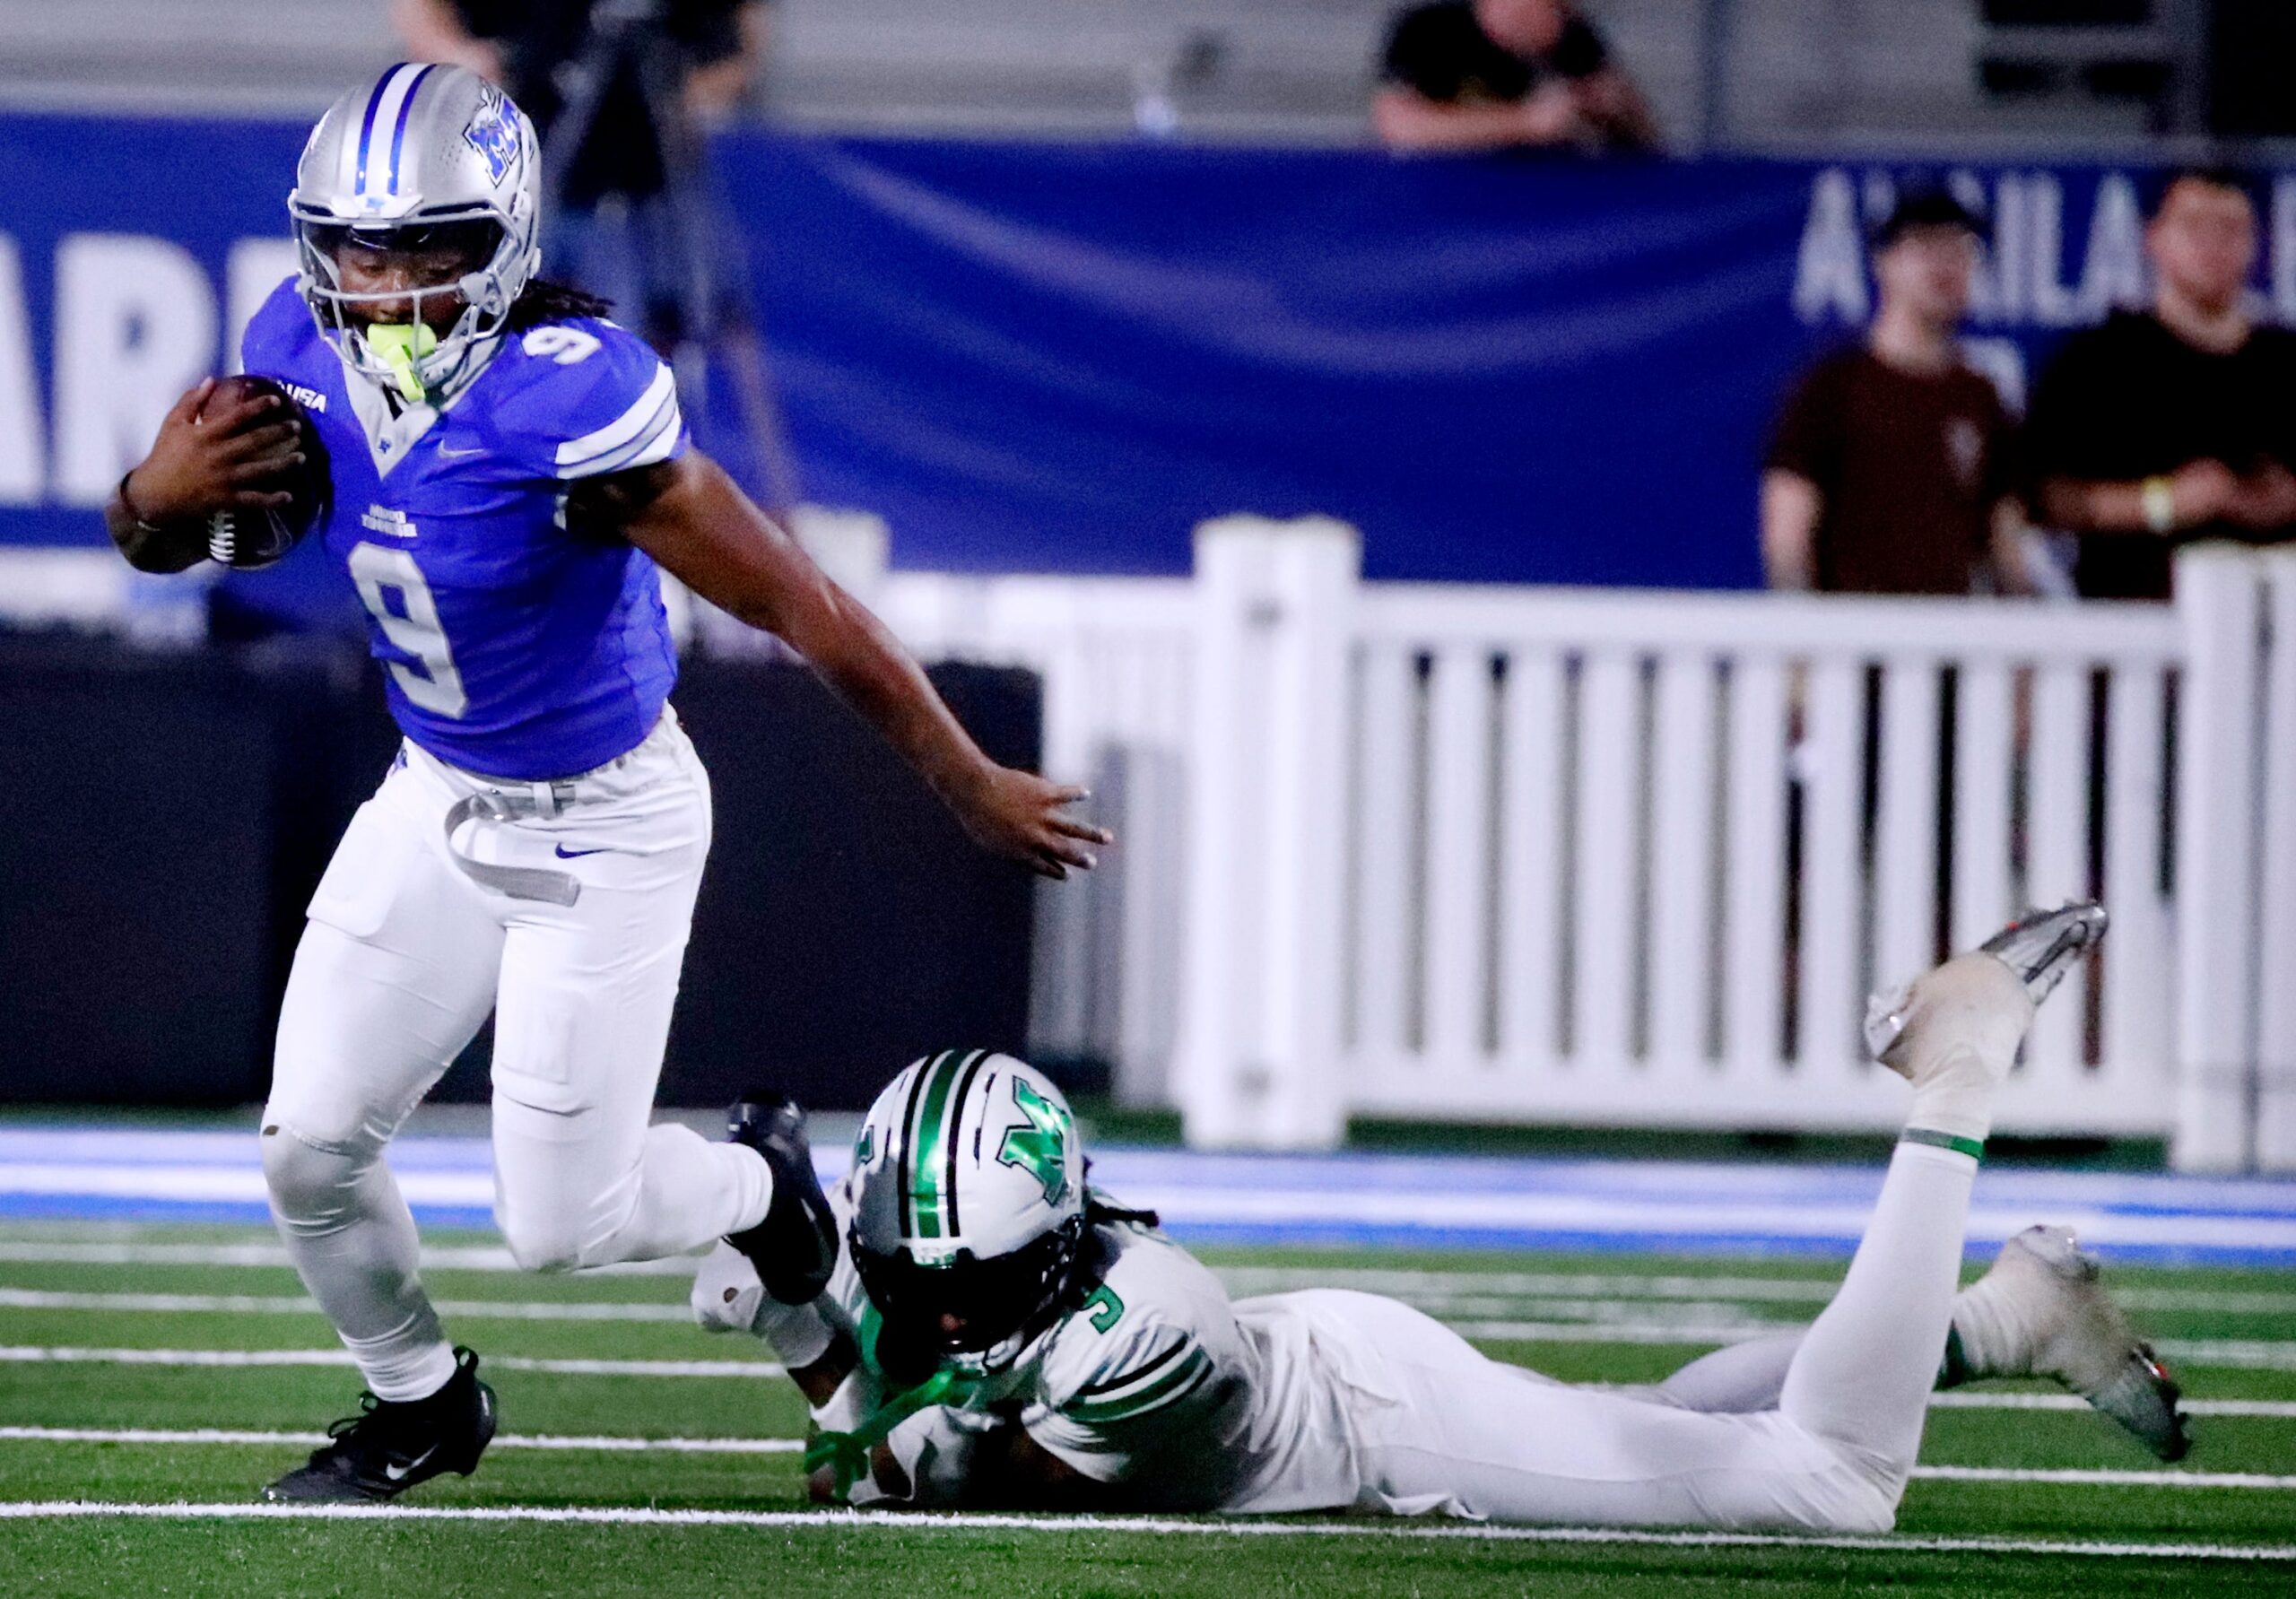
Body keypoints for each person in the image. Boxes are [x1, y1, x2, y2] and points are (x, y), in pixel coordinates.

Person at [103, 63, 1109, 1504]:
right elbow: (178, 543)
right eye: (363, 251)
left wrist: (962, 780)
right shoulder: (289, 353)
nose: (388, 290)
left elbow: (800, 602)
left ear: (502, 242)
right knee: (310, 1146)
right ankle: (420, 1402)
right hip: (437, 796)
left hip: (603, 823)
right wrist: (153, 496)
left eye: (432, 251)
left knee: (560, 1226)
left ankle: (764, 1186)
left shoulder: (570, 404)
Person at [695, 904, 2190, 1524]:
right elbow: (900, 1410)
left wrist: (806, 1328)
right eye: (911, 1271)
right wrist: (822, 1287)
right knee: (1660, 1417)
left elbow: (934, 1487)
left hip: (1377, 1421)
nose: (939, 1307)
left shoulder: (1145, 1326)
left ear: (1053, 1240)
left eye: (966, 1281)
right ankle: (2003, 1316)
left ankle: (1960, 1062)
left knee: (1824, 1484)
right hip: (1346, 1369)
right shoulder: (979, 1262)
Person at [391, 0, 770, 353]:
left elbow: (733, 50)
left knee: (624, 342)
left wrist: (689, 87)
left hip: (642, 187)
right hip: (516, 160)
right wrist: (466, 61)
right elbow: (425, 21)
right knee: (492, 328)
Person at [2024, 166, 2296, 601]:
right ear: (2153, 237)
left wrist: (2269, 501)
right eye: (2193, 226)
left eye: (2230, 228)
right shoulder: (2097, 361)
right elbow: (2047, 498)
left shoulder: (2284, 363)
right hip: (2131, 631)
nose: (2212, 244)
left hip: (2272, 629)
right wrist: (2165, 502)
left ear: (2257, 244)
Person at [1763, 188, 2030, 596]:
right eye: (1926, 245)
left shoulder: (1979, 398)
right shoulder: (1833, 387)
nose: (1946, 263)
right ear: (1884, 261)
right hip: (1853, 644)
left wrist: (2025, 641)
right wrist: (1804, 643)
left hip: (1951, 647)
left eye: (1961, 248)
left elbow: (2005, 544)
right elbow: (1787, 535)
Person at [1375, 0, 1659, 154]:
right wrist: (1528, 122)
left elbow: (1648, 143)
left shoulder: (1571, 37)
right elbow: (1400, 128)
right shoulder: (1430, 30)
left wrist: (1614, 109)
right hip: (1448, 211)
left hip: (1544, 217)